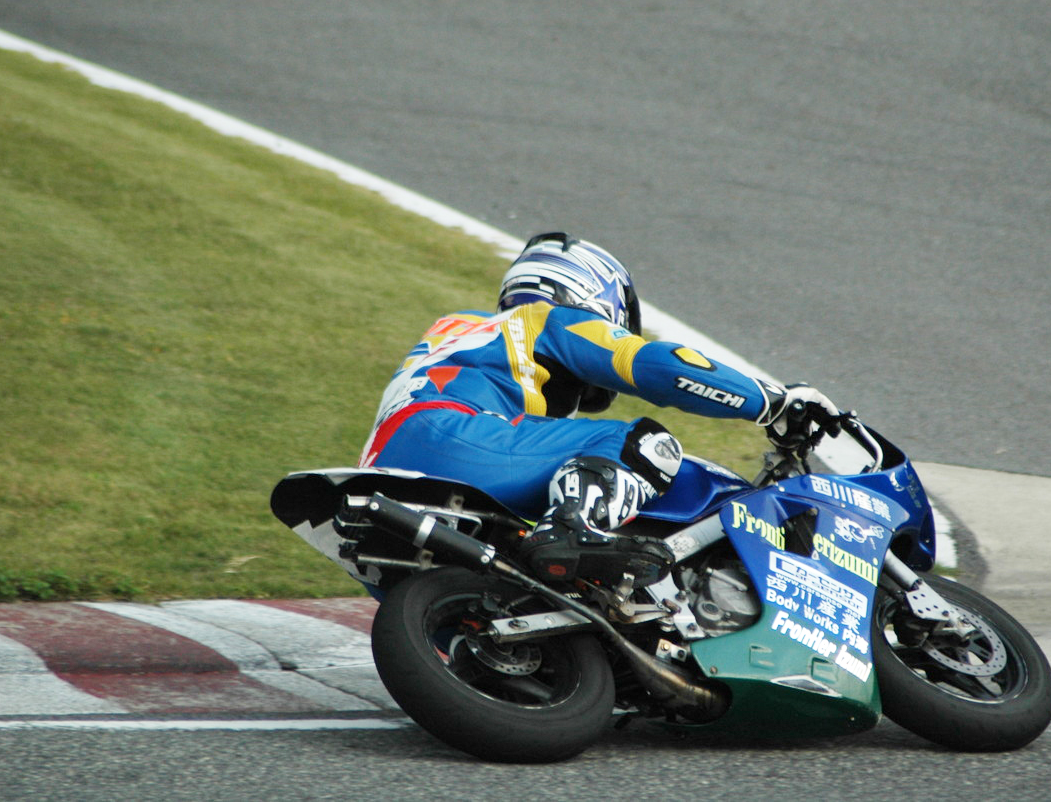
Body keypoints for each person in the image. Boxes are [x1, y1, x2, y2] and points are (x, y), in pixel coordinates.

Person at [358, 232, 840, 586]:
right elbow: (659, 366)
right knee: (643, 442)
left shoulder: (461, 331)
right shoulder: (543, 319)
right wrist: (771, 402)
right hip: (461, 440)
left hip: (381, 472)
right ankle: (574, 527)